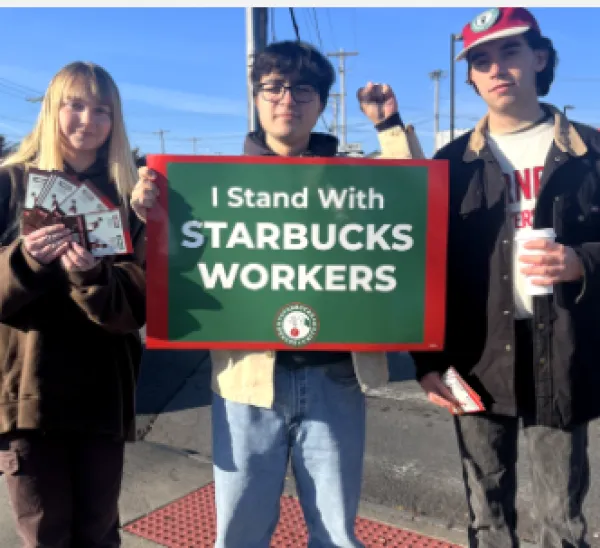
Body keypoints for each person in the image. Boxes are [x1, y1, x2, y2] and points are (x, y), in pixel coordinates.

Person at [132, 40, 421, 548]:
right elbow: (173, 260)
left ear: (321, 102)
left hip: (335, 378)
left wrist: (389, 126)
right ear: (257, 96)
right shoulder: (209, 185)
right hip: (247, 381)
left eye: (304, 88)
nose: (288, 98)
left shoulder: (353, 176)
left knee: (336, 535)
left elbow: (412, 194)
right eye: (274, 86)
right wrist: (147, 210)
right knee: (240, 532)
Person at [399, 8, 599, 548]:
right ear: (471, 78)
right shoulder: (451, 163)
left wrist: (585, 260)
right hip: (476, 357)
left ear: (539, 58)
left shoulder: (591, 151)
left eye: (509, 52)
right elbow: (423, 267)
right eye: (481, 61)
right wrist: (426, 363)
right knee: (487, 517)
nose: (496, 69)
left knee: (564, 521)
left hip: (561, 352)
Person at [0, 61, 146, 547]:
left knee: (99, 533)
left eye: (102, 110)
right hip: (27, 399)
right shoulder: (9, 186)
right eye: (75, 105)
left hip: (102, 398)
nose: (88, 120)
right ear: (50, 110)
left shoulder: (131, 199)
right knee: (44, 534)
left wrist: (90, 276)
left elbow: (134, 308)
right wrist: (23, 262)